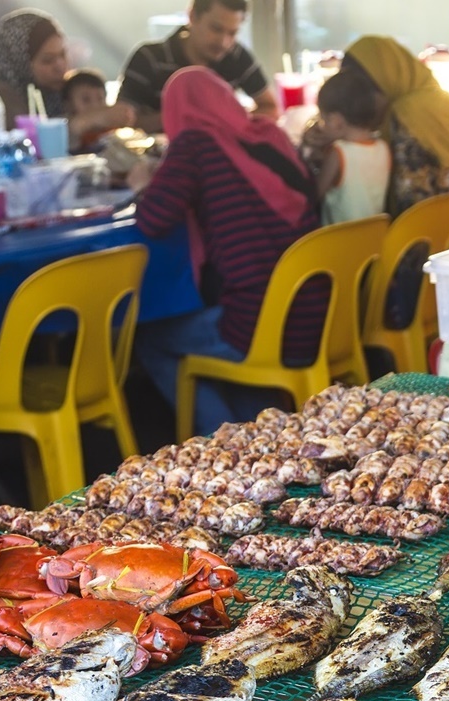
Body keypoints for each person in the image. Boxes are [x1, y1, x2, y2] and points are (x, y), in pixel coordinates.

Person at [128, 66, 326, 435]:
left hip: (256, 324)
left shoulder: (194, 144)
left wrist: (143, 183)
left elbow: (153, 219)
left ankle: (226, 441)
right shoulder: (272, 135)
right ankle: (261, 436)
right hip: (318, 316)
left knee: (150, 339)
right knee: (222, 325)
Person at [314, 36, 449, 365]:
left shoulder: (403, 115)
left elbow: (399, 198)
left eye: (365, 93)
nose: (363, 105)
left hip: (425, 267)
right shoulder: (439, 101)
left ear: (385, 81)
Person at [117, 0, 277, 136]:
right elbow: (122, 121)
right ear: (192, 16)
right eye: (216, 29)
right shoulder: (148, 58)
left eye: (233, 33)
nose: (224, 42)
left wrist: (229, 117)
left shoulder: (236, 56)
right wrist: (186, 115)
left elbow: (271, 108)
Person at [0, 10, 134, 146]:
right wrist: (83, 121)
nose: (60, 66)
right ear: (19, 62)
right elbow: (27, 145)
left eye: (63, 54)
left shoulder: (53, 92)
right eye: (47, 60)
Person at [305, 69, 391, 224]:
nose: (321, 126)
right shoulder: (383, 147)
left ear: (336, 121)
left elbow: (313, 196)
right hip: (372, 238)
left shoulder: (339, 153)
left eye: (323, 120)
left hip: (340, 242)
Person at [61, 68, 112, 152]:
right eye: (86, 100)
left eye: (100, 99)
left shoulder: (111, 129)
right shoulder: (64, 129)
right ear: (69, 105)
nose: (95, 106)